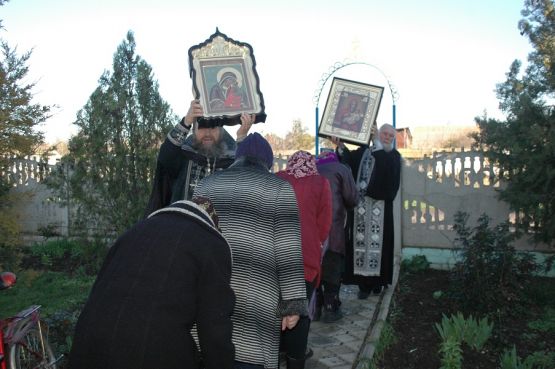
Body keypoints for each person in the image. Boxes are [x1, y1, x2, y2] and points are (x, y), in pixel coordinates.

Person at [67, 197, 235, 369]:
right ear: (212, 225)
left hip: (88, 344)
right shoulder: (211, 244)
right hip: (149, 353)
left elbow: (99, 291)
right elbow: (215, 329)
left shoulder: (133, 232)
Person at [194, 133, 308, 369]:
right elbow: (288, 252)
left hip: (208, 307)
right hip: (256, 305)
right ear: (267, 163)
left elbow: (191, 242)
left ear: (237, 158)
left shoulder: (206, 185)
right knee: (248, 357)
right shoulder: (280, 189)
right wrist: (293, 306)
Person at [144, 99, 253, 214]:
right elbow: (165, 158)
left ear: (222, 130)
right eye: (201, 127)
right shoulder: (184, 156)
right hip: (181, 228)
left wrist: (242, 137)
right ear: (194, 130)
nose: (207, 133)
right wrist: (186, 121)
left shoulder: (231, 161)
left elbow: (247, 180)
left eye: (213, 127)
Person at [276, 150, 332, 368]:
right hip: (305, 260)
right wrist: (315, 242)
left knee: (278, 308)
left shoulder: (279, 178)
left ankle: (276, 354)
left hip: (279, 255)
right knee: (298, 313)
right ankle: (295, 361)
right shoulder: (320, 183)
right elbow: (325, 223)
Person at [332, 123, 401, 299]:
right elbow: (348, 161)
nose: (386, 138)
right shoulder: (364, 152)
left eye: (389, 136)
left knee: (380, 245)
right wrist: (340, 147)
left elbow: (387, 171)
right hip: (361, 209)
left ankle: (378, 283)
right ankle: (363, 285)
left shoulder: (393, 156)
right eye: (384, 134)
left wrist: (376, 142)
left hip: (381, 210)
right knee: (359, 245)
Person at [314, 150, 359, 322]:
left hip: (312, 229)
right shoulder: (341, 169)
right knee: (333, 264)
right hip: (333, 228)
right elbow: (352, 198)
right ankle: (330, 307)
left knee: (315, 266)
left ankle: (315, 306)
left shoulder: (311, 169)